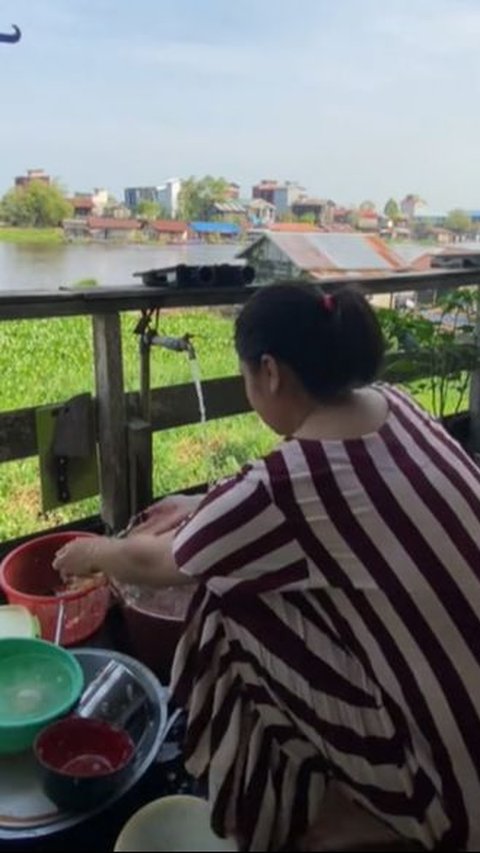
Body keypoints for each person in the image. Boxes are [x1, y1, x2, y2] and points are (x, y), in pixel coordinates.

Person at [54, 284, 480, 852]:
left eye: (246, 376)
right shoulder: (394, 405)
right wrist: (202, 507)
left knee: (225, 602)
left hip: (453, 791)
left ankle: (266, 812)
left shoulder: (284, 487)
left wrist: (90, 552)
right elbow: (273, 507)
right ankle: (360, 791)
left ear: (271, 372)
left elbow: (159, 561)